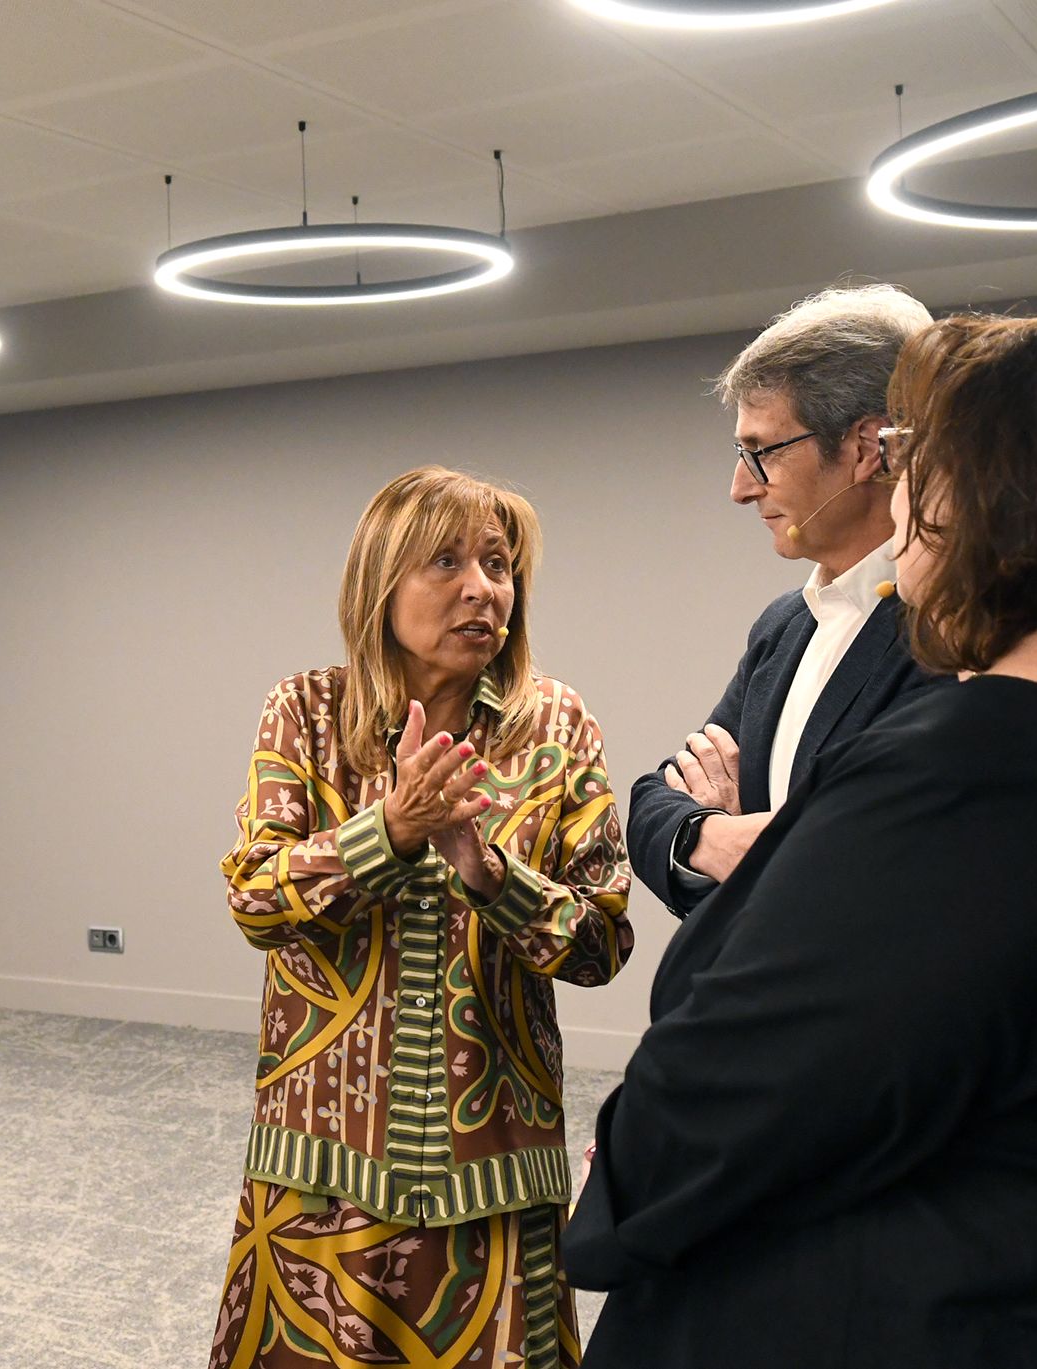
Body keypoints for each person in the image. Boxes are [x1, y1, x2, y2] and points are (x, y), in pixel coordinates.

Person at [564, 309, 1037, 1367]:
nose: (897, 492)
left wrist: (621, 1176)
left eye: (914, 461)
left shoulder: (967, 771)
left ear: (1002, 500)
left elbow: (737, 1091)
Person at [209, 466, 633, 1369]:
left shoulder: (554, 728)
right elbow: (255, 895)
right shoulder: (308, 712)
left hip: (495, 1174)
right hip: (322, 1168)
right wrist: (388, 833)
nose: (484, 588)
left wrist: (488, 871)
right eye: (448, 561)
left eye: (499, 564)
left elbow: (602, 942)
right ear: (381, 582)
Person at [628, 284, 943, 918]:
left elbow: (861, 864)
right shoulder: (785, 626)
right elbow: (650, 803)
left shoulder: (950, 635)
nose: (741, 488)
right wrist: (709, 836)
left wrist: (749, 842)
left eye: (762, 452)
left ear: (866, 446)